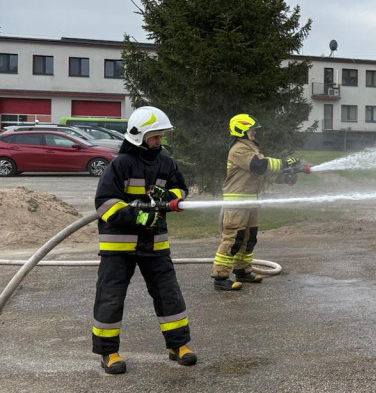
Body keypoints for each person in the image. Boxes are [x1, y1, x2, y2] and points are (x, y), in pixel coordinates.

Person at [92, 106, 193, 375]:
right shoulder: (120, 164)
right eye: (154, 137)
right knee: (111, 298)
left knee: (169, 295)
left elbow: (181, 189)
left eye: (160, 136)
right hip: (119, 247)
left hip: (155, 244)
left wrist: (168, 195)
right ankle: (108, 352)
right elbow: (105, 204)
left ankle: (178, 346)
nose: (159, 142)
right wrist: (136, 216)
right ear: (139, 135)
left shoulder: (166, 163)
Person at [211, 113, 309, 291]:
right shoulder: (239, 149)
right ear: (241, 129)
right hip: (237, 203)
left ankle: (242, 271)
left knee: (249, 238)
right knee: (233, 239)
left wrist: (284, 177)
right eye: (251, 129)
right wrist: (284, 162)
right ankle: (221, 276)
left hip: (250, 202)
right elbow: (260, 165)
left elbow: (259, 173)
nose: (254, 132)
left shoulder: (250, 148)